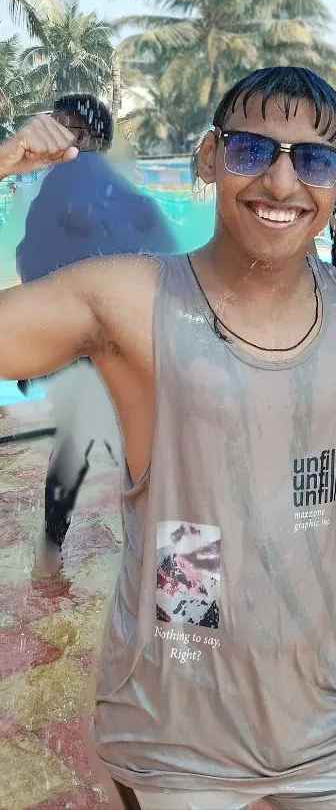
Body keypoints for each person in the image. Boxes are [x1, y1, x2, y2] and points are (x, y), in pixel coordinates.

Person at [1, 67, 336, 810]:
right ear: (209, 155)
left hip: (335, 724)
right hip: (175, 738)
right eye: (253, 149)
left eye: (311, 160)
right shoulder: (127, 297)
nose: (282, 182)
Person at [15, 94, 177, 573]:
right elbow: (167, 263)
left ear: (79, 136)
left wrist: (38, 348)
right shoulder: (129, 192)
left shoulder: (61, 181)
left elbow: (33, 262)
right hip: (140, 344)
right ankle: (179, 591)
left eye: (57, 127)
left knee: (73, 447)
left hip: (86, 345)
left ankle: (48, 556)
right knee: (154, 458)